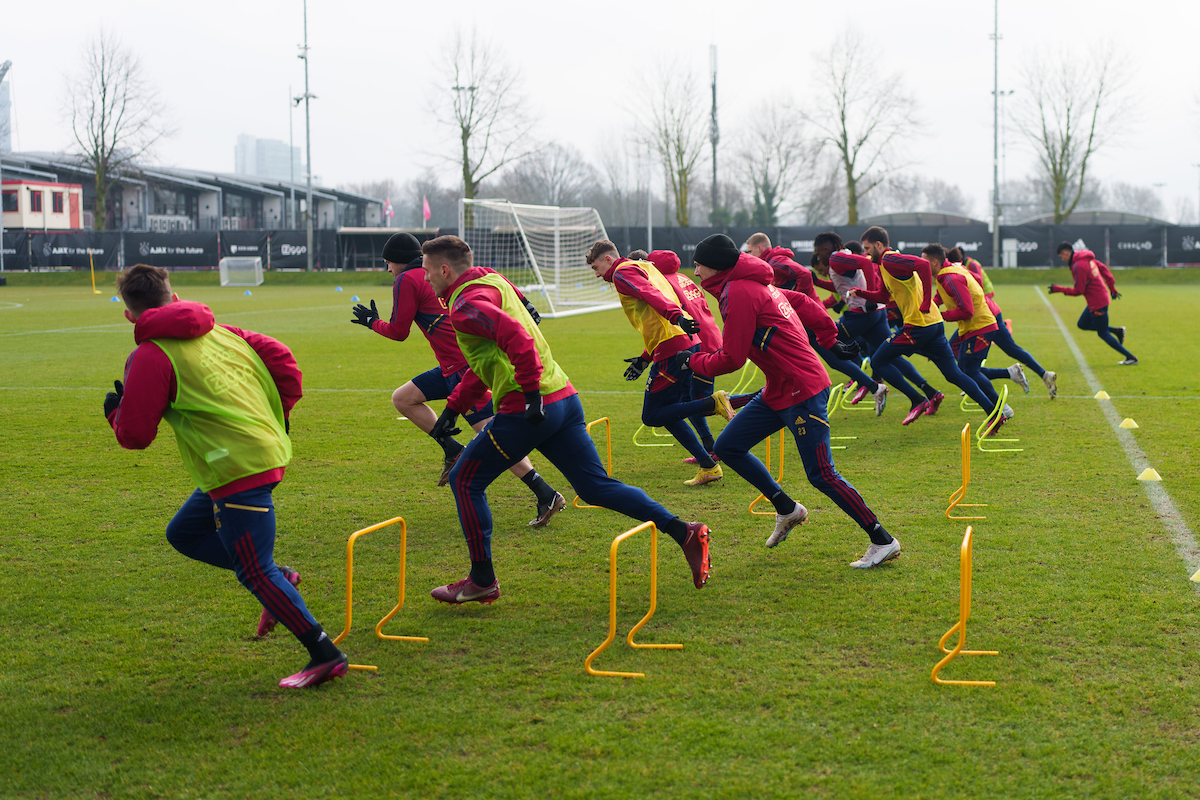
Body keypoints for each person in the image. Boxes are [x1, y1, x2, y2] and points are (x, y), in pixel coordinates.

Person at [421, 235, 712, 603]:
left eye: (428, 271)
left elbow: (518, 341)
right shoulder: (491, 281)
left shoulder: (465, 304)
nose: (427, 278)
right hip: (563, 398)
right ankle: (685, 532)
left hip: (529, 408)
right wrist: (453, 407)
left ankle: (482, 580)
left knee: (464, 479)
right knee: (595, 487)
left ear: (445, 270)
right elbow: (488, 359)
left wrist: (529, 396)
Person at [104, 264, 348, 689]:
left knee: (255, 572)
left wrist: (114, 412)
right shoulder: (222, 330)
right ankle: (283, 578)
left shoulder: (149, 354)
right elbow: (282, 360)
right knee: (184, 533)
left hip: (239, 467)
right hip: (254, 455)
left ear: (128, 314)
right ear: (173, 294)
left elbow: (135, 435)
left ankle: (326, 654)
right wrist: (278, 415)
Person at [684, 234, 900, 569]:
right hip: (779, 389)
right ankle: (787, 508)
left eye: (698, 264)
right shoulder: (749, 284)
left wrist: (693, 362)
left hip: (803, 389)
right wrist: (828, 336)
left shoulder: (739, 291)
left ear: (714, 265)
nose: (695, 272)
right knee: (728, 447)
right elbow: (803, 303)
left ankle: (882, 539)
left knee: (821, 474)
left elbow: (732, 358)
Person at [351, 232, 565, 526]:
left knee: (493, 435)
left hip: (463, 370)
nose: (388, 269)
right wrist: (525, 302)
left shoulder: (407, 279)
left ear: (399, 261)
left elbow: (399, 332)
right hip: (451, 366)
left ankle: (544, 492)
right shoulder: (438, 275)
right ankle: (453, 449)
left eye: (388, 263)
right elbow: (489, 274)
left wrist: (370, 322)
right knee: (404, 398)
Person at [586, 240, 736, 487]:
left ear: (608, 260)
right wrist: (645, 358)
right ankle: (708, 465)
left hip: (672, 347)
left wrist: (676, 317)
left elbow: (651, 295)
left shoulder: (622, 272)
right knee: (670, 411)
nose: (596, 274)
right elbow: (657, 303)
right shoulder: (644, 267)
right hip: (684, 342)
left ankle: (714, 401)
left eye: (595, 267)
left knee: (653, 415)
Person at [847, 248, 1009, 427]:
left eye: (868, 247)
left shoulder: (891, 259)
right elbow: (883, 297)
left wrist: (925, 301)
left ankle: (917, 399)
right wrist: (860, 292)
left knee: (878, 361)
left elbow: (922, 264)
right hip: (934, 323)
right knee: (954, 374)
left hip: (918, 325)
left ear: (878, 245)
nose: (866, 252)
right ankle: (994, 413)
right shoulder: (885, 266)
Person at [746, 232, 889, 416]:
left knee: (813, 356)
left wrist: (793, 300)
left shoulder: (775, 262)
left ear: (760, 248)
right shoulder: (770, 263)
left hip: (808, 317)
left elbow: (805, 274)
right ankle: (872, 386)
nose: (749, 256)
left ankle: (795, 400)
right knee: (829, 358)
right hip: (805, 317)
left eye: (750, 251)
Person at [644, 249, 724, 465]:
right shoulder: (684, 277)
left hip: (694, 343)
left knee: (702, 403)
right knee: (689, 400)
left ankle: (755, 398)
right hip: (711, 337)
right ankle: (709, 449)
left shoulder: (663, 283)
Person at [946, 246, 1057, 398]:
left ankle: (973, 379)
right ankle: (1043, 374)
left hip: (983, 315)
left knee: (958, 354)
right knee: (1011, 349)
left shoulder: (964, 268)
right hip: (989, 312)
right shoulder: (959, 269)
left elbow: (977, 285)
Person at [923, 244, 1013, 429]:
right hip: (972, 328)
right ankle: (999, 408)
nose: (920, 266)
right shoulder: (948, 271)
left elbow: (967, 310)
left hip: (980, 327)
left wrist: (941, 316)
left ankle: (999, 409)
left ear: (934, 262)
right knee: (965, 371)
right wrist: (931, 305)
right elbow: (974, 279)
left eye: (923, 262)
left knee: (970, 372)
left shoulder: (950, 277)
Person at [1052, 242, 1137, 365]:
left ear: (1065, 253)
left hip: (1097, 302)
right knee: (1082, 324)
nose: (1062, 259)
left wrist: (1058, 289)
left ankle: (1131, 357)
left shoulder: (1078, 265)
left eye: (1061, 257)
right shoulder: (1085, 258)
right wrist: (1112, 289)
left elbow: (1079, 290)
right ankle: (1117, 331)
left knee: (1103, 333)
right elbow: (1105, 271)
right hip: (1098, 298)